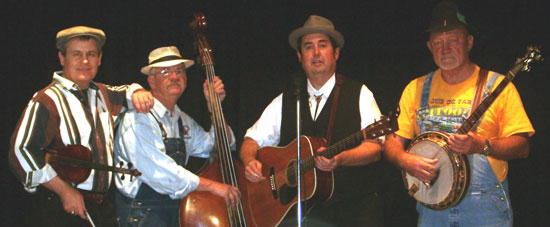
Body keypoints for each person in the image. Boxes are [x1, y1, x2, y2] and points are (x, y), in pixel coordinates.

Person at [383, 1, 535, 226]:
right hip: (432, 207)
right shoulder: (415, 88)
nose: (445, 49)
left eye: (453, 40)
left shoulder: (498, 86)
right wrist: (405, 160)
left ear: (469, 42)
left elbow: (522, 147)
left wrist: (482, 145)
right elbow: (392, 142)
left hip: (484, 210)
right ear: (429, 46)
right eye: (438, 43)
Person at [240, 15, 384, 226]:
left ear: (335, 53)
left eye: (322, 45)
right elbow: (251, 140)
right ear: (299, 56)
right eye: (308, 47)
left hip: (353, 209)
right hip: (300, 213)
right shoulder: (286, 99)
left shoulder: (360, 94)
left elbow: (375, 149)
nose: (316, 53)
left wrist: (342, 158)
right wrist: (249, 161)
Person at [8, 25, 154, 226]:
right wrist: (64, 190)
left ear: (99, 59)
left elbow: (128, 91)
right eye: (76, 54)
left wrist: (139, 91)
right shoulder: (47, 99)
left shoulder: (103, 93)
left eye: (91, 54)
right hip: (63, 208)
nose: (85, 61)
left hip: (102, 208)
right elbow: (20, 152)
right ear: (62, 58)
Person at [114, 46, 241, 227]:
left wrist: (215, 107)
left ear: (186, 79)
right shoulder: (139, 118)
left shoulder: (183, 121)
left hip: (173, 214)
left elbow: (220, 146)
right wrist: (213, 186)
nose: (174, 77)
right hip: (141, 216)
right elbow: (160, 172)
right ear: (151, 80)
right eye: (165, 72)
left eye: (179, 71)